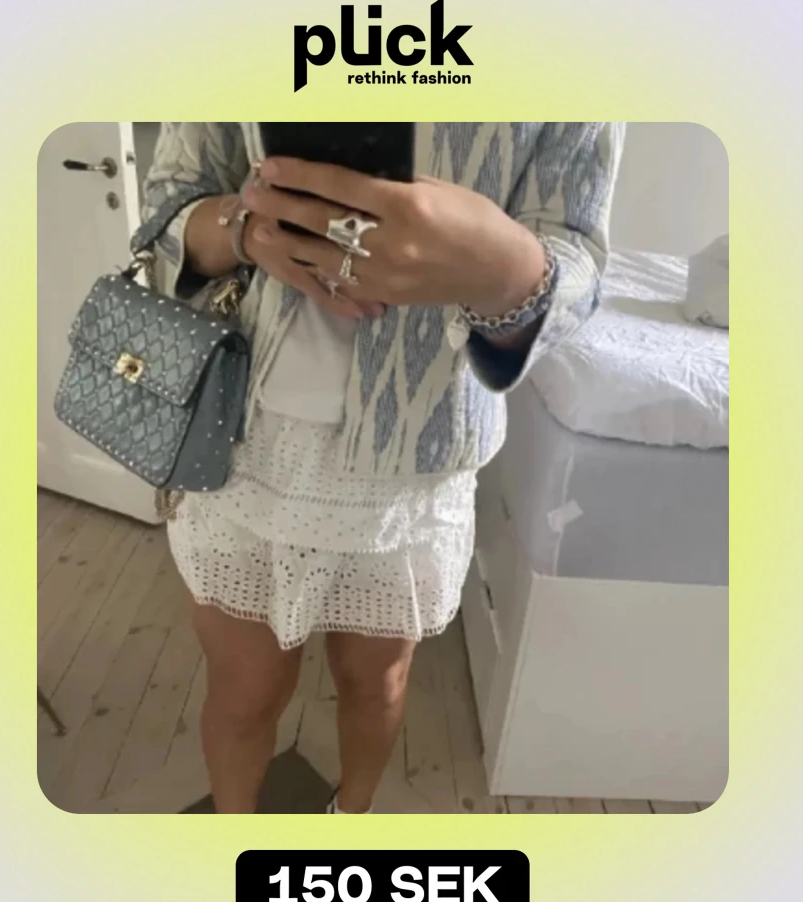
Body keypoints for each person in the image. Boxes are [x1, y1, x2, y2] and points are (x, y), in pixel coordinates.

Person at [140, 122, 624, 813]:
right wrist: (245, 229)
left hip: (416, 456)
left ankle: (351, 821)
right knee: (242, 692)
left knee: (377, 688)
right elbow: (169, 201)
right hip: (240, 442)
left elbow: (578, 253)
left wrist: (506, 268)